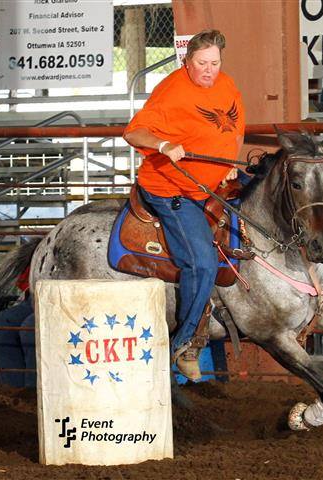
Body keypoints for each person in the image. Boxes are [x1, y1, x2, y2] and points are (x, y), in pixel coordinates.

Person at [123, 29, 245, 381]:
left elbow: (235, 129)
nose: (209, 70)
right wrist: (162, 146)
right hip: (172, 188)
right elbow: (134, 132)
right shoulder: (172, 91)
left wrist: (227, 168)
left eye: (215, 63)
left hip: (210, 186)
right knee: (202, 262)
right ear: (187, 62)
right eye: (202, 63)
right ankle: (185, 342)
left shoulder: (227, 84)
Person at [0, 268, 35, 388]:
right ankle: (13, 390)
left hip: (71, 292)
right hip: (35, 296)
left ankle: (34, 393)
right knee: (1, 324)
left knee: (30, 327)